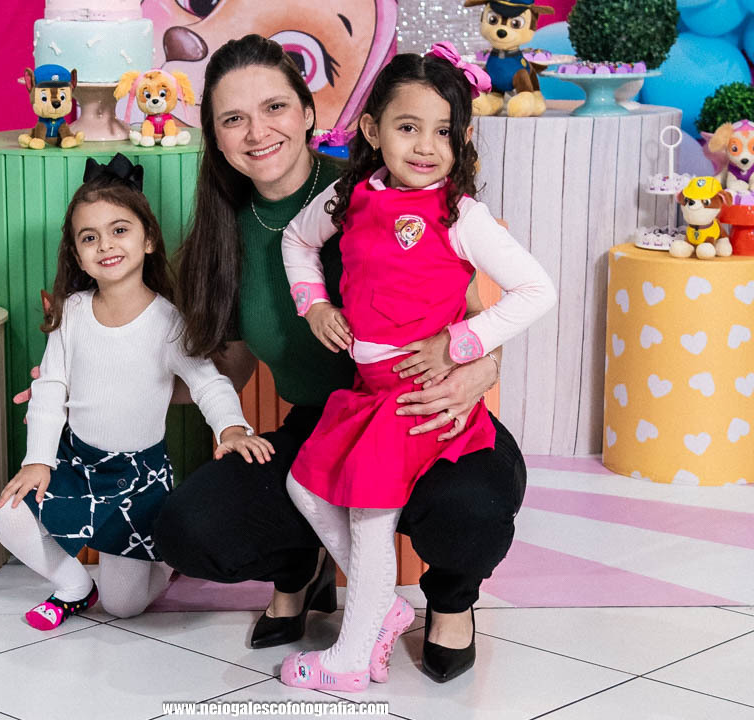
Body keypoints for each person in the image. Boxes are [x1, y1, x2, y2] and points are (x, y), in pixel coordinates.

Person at [152, 34, 534, 683]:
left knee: (470, 510)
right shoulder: (222, 233)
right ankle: (303, 567)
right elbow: (233, 366)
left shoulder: (382, 185)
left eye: (274, 107)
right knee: (192, 527)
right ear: (213, 135)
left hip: (422, 404)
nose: (257, 132)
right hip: (327, 420)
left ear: (309, 112)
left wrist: (479, 366)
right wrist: (103, 382)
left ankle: (449, 602)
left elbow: (475, 309)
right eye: (233, 118)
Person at [277, 44, 556, 691]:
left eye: (443, 131)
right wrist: (314, 304)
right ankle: (384, 608)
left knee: (369, 516)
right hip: (368, 391)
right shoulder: (350, 197)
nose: (426, 146)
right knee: (305, 487)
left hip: (418, 396)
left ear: (462, 140)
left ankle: (350, 659)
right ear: (373, 130)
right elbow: (296, 239)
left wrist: (460, 343)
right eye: (409, 127)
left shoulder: (461, 215)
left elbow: (537, 290)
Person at [0, 154, 273, 630]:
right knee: (10, 515)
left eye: (119, 230)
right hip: (77, 463)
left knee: (124, 605)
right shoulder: (72, 312)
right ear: (76, 255)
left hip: (136, 478)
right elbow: (51, 389)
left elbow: (208, 382)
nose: (105, 244)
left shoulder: (167, 321)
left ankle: (163, 557)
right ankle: (75, 588)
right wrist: (37, 460)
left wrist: (232, 428)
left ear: (148, 240)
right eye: (89, 237)